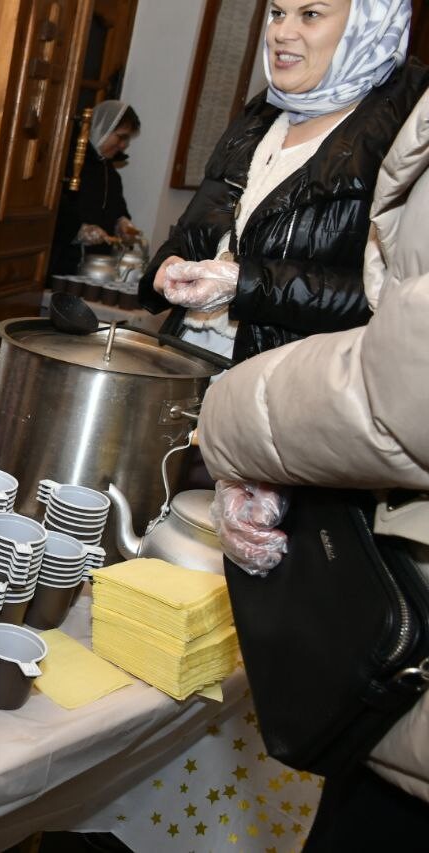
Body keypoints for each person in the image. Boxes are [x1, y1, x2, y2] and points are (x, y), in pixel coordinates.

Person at [198, 88, 429, 847]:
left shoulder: (385, 115)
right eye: (276, 23)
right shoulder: (254, 123)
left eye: (311, 22)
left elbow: (401, 386)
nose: (286, 35)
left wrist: (229, 425)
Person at [140, 0, 427, 363]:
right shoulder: (261, 114)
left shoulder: (408, 137)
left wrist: (245, 284)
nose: (282, 33)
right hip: (188, 357)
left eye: (310, 14)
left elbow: (391, 297)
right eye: (277, 13)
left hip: (287, 382)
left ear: (370, 23)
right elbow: (194, 232)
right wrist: (168, 266)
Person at [49, 100, 143, 276]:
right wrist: (79, 230)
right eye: (121, 137)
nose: (123, 145)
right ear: (102, 128)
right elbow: (54, 207)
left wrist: (122, 223)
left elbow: (117, 208)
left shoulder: (111, 173)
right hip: (62, 260)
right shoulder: (68, 161)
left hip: (97, 264)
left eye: (127, 139)